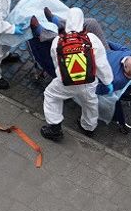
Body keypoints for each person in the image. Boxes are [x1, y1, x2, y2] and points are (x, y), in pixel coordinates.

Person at [41, 8, 113, 141]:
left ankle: (54, 128)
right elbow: (102, 64)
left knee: (51, 95)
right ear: (82, 22)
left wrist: (63, 77)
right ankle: (88, 127)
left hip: (67, 82)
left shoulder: (58, 41)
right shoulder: (92, 39)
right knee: (90, 103)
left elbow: (57, 65)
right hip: (88, 81)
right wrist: (108, 82)